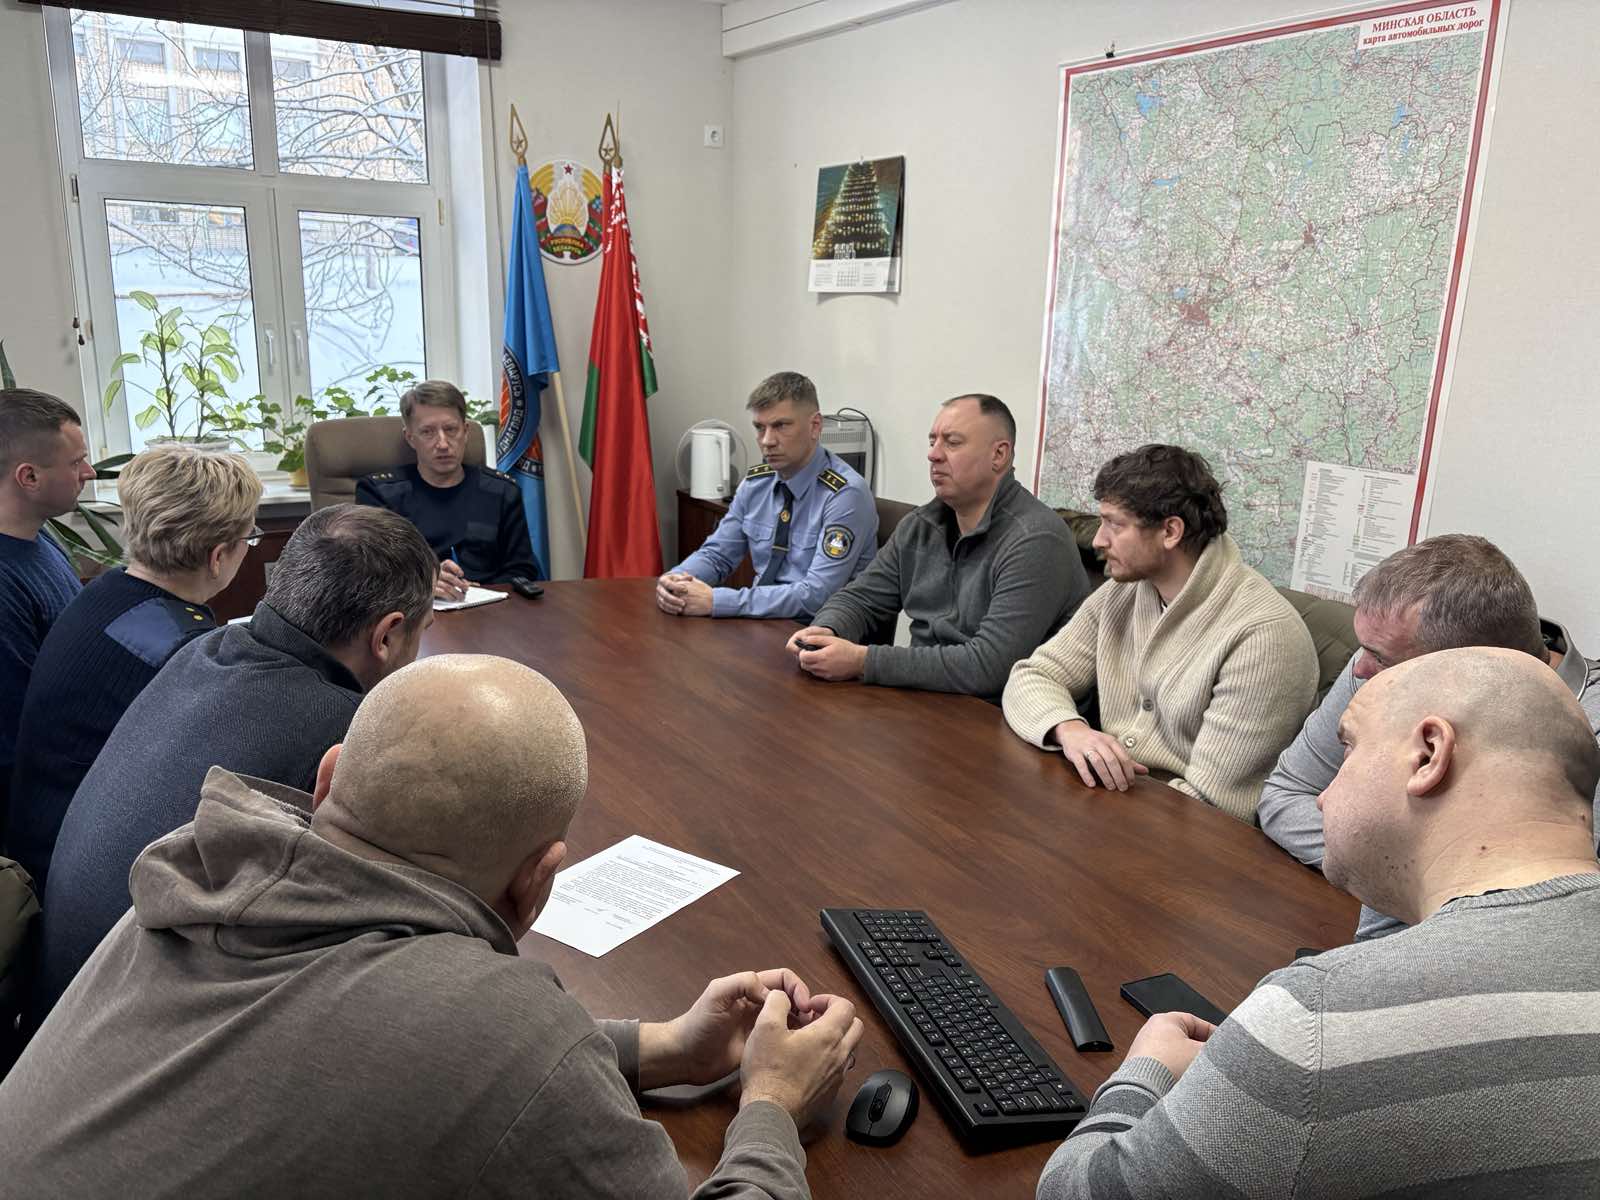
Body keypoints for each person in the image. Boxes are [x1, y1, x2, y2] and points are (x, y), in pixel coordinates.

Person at [0, 655, 865, 1197]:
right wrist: (771, 1104)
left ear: (328, 777)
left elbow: (372, 1050)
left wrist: (664, 1046)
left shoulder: (195, 879)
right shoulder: (499, 1030)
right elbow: (474, 1051)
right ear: (538, 881)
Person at [1035, 647, 1600, 1199]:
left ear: (1429, 754)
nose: (1324, 796)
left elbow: (1073, 1190)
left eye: (1348, 747)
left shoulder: (1317, 1023)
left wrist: (1148, 1069)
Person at [31, 503, 435, 1023]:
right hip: (135, 1025)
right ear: (387, 636)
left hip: (57, 1002)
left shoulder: (201, 652)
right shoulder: (341, 729)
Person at [1257, 533, 1600, 938]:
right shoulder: (1378, 667)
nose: (1360, 670)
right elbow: (1287, 793)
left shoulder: (1587, 732)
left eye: (1379, 657)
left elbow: (1558, 912)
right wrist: (1416, 874)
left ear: (1467, 668)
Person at [1002, 444, 1317, 823]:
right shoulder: (1123, 592)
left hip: (1185, 836)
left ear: (1170, 531)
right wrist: (1069, 730)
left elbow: (1212, 804)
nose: (1098, 540)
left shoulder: (1264, 637)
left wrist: (1093, 819)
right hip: (1111, 808)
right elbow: (1033, 676)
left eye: (1115, 524)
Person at [6, 445, 261, 892]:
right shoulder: (180, 652)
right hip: (86, 878)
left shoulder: (106, 590)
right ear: (219, 556)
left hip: (47, 842)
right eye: (250, 537)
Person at [785, 394, 1088, 702]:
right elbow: (861, 598)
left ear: (998, 455)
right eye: (933, 441)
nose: (933, 455)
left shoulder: (1036, 538)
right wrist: (825, 632)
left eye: (952, 443)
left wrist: (863, 661)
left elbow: (990, 667)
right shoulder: (920, 525)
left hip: (999, 713)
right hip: (927, 700)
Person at [657, 372, 876, 620]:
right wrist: (676, 580)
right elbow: (717, 555)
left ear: (815, 426)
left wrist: (717, 601)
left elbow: (817, 595)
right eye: (760, 428)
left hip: (816, 632)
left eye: (781, 426)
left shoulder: (845, 495)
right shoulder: (756, 484)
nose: (767, 441)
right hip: (759, 621)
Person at [0, 389, 97, 838]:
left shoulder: (39, 539)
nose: (88, 472)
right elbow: (16, 740)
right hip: (41, 816)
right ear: (29, 477)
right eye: (76, 462)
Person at [355, 379, 538, 599]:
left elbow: (522, 569)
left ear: (465, 431)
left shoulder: (503, 492)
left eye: (451, 430)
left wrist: (481, 592)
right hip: (412, 610)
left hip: (491, 608)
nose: (442, 444)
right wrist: (423, 583)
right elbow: (370, 572)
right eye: (428, 432)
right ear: (410, 438)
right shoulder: (379, 494)